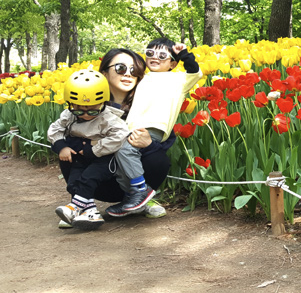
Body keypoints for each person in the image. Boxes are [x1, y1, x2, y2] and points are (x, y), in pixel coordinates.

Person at [57, 48, 175, 228]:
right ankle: (81, 205)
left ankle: (143, 197)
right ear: (104, 72)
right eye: (120, 68)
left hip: (132, 175)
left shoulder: (150, 106)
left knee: (158, 157)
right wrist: (87, 146)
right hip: (98, 175)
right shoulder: (87, 103)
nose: (128, 74)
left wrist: (149, 144)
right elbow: (63, 131)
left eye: (134, 70)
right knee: (68, 152)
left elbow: (166, 142)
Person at [105, 38, 202, 217]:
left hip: (154, 127)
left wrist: (184, 54)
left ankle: (140, 191)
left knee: (125, 152)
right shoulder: (142, 78)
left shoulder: (178, 80)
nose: (155, 57)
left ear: (172, 63)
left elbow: (195, 72)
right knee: (120, 162)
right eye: (150, 53)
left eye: (162, 55)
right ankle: (133, 199)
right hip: (132, 127)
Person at [50, 69, 130, 230]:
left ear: (103, 103)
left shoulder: (109, 118)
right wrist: (61, 146)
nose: (85, 115)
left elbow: (120, 136)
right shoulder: (69, 115)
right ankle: (91, 213)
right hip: (79, 156)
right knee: (73, 182)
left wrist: (94, 150)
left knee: (89, 178)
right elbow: (55, 129)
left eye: (92, 110)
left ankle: (73, 209)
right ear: (70, 104)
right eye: (79, 110)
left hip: (103, 158)